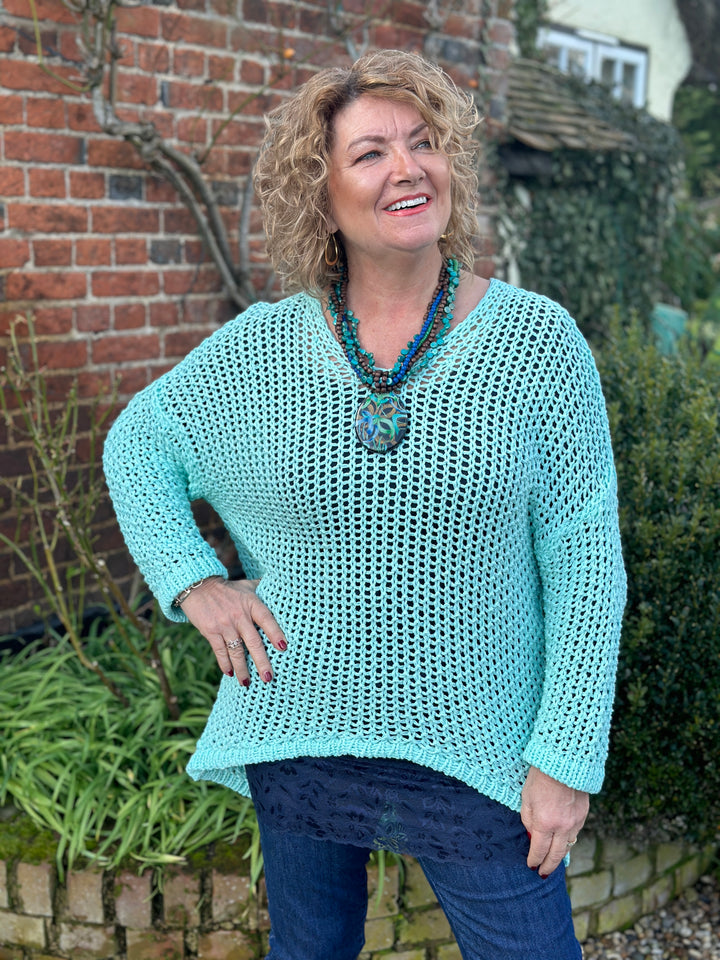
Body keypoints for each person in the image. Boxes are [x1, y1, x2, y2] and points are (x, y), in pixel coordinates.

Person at [103, 49, 626, 960]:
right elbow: (137, 444)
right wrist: (197, 584)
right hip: (299, 721)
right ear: (323, 190)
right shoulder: (263, 348)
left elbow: (586, 563)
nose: (408, 168)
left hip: (480, 745)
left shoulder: (536, 344)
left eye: (423, 143)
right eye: (371, 153)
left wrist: (567, 757)